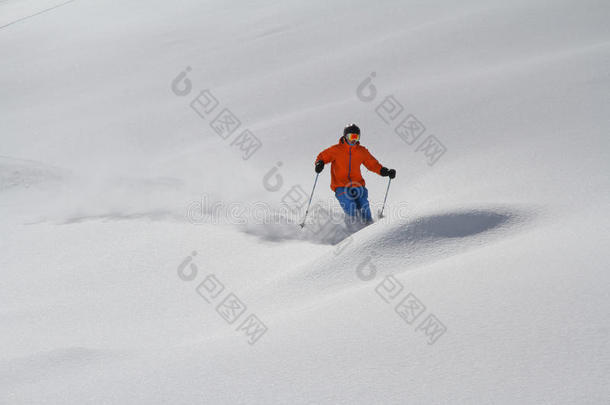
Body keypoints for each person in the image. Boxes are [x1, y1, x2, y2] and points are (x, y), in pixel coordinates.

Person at [314, 124, 396, 226]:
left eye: (356, 137)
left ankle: (369, 226)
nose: (354, 140)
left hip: (358, 184)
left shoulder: (361, 151)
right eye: (351, 137)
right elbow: (322, 156)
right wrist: (319, 163)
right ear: (345, 136)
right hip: (340, 185)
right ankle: (353, 228)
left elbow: (372, 164)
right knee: (350, 205)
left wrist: (384, 171)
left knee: (363, 204)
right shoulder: (336, 150)